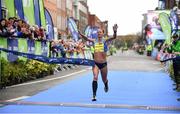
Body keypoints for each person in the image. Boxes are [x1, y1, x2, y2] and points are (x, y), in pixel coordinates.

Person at [79, 24, 118, 101]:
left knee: (104, 79)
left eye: (100, 32)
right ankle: (94, 95)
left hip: (103, 64)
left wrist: (115, 31)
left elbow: (114, 37)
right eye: (98, 32)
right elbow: (86, 38)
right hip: (95, 63)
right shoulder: (94, 41)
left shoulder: (105, 40)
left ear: (103, 33)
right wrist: (81, 34)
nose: (99, 33)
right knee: (95, 77)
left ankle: (106, 84)